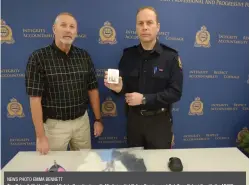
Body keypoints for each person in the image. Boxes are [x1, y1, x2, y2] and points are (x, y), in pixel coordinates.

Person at [104, 6, 183, 149]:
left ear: (157, 27)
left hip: (159, 123)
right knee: (135, 166)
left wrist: (145, 99)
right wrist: (119, 88)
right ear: (136, 27)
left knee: (159, 167)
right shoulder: (128, 56)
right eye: (140, 23)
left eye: (149, 23)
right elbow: (124, 90)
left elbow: (175, 93)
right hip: (134, 122)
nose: (145, 27)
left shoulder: (170, 57)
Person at [25, 12, 103, 155]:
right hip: (54, 127)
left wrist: (98, 119)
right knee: (52, 170)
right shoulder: (38, 58)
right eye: (63, 25)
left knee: (84, 166)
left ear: (76, 32)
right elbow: (35, 99)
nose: (68, 30)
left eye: (72, 27)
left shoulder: (84, 56)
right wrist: (40, 137)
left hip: (82, 123)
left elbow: (92, 89)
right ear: (54, 29)